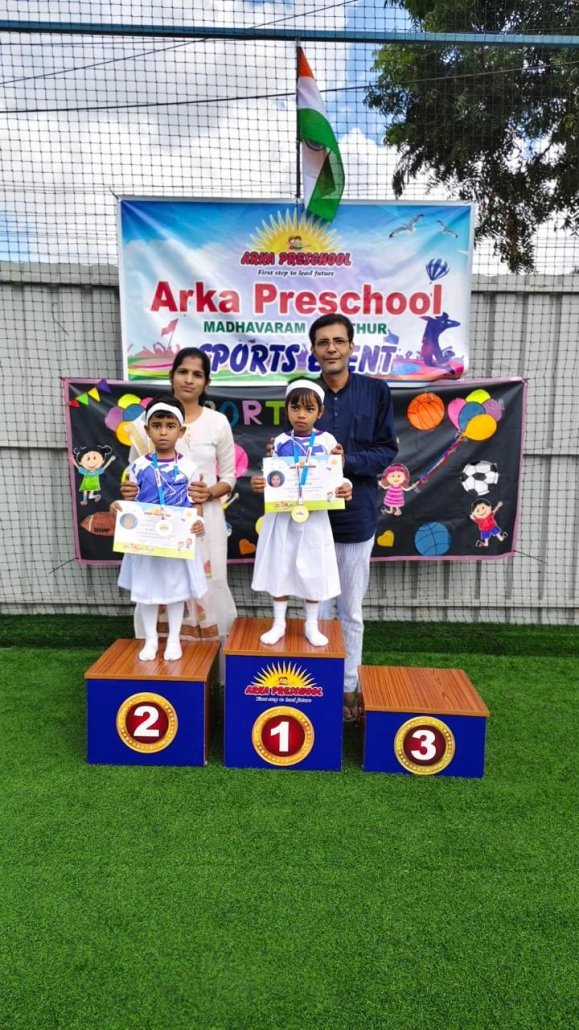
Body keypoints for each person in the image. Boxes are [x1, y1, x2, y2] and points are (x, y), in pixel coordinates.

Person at [309, 314, 398, 721]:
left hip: (356, 517)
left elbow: (387, 451)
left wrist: (346, 464)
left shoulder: (375, 391)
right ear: (313, 350)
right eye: (323, 342)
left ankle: (347, 688)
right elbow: (290, 447)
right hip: (309, 518)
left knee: (350, 609)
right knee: (316, 608)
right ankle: (317, 684)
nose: (331, 348)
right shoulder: (305, 393)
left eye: (338, 341)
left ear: (351, 346)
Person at [120, 348, 237, 651]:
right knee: (156, 582)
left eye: (197, 374)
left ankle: (211, 663)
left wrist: (209, 492)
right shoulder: (144, 425)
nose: (189, 379)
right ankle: (155, 648)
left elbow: (230, 476)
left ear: (206, 382)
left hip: (203, 521)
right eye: (183, 372)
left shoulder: (217, 422)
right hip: (155, 524)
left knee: (209, 582)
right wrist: (129, 492)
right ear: (171, 376)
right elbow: (133, 474)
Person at [251, 379, 346, 647]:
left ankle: (311, 625)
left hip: (314, 519)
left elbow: (337, 478)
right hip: (282, 519)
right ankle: (278, 623)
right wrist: (260, 483)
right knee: (280, 566)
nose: (301, 414)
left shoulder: (327, 442)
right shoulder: (279, 442)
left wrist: (345, 486)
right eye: (295, 408)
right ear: (287, 409)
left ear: (320, 412)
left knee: (313, 570)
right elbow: (273, 480)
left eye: (308, 409)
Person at [114, 396, 207, 662]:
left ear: (181, 431)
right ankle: (151, 639)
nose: (163, 432)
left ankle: (174, 639)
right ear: (147, 430)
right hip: (145, 544)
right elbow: (130, 503)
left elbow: (195, 504)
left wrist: (199, 522)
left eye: (170, 425)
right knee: (146, 592)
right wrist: (119, 507)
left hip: (176, 543)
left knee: (176, 592)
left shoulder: (189, 468)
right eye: (157, 425)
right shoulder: (138, 466)